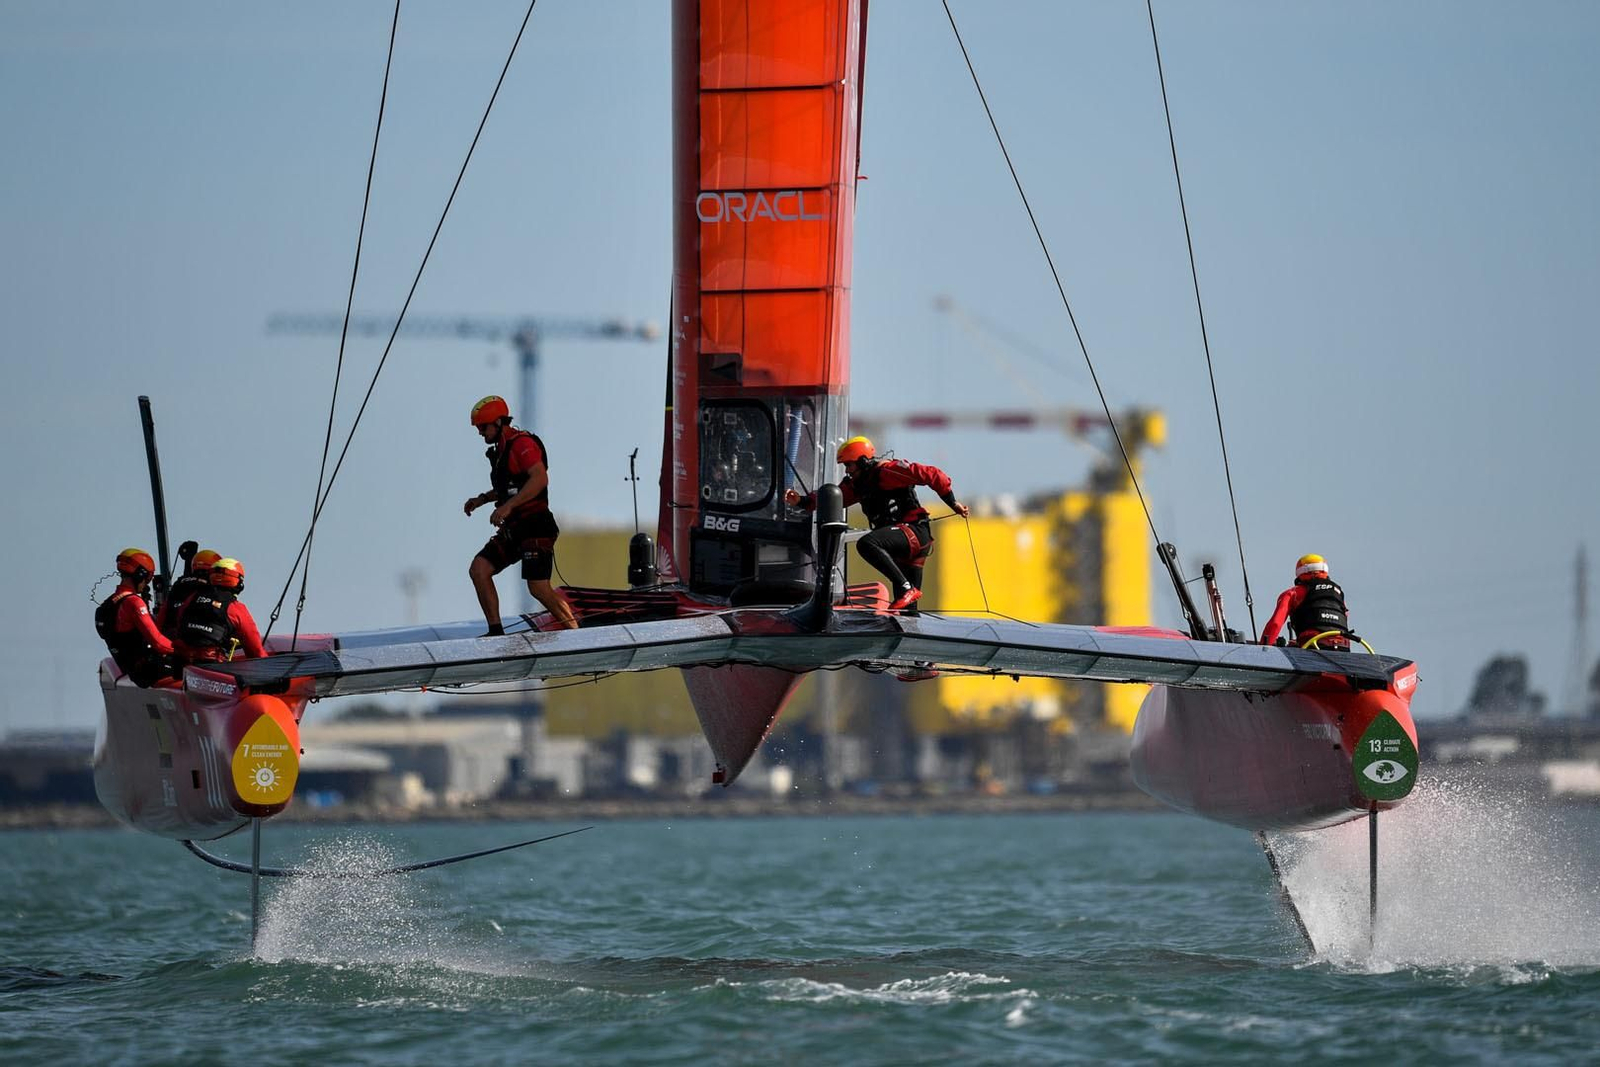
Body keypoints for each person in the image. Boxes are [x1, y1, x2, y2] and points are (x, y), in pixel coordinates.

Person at [784, 435, 969, 613]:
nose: (847, 471)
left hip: (914, 532)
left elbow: (933, 474)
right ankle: (908, 610)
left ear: (863, 461)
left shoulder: (887, 472)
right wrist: (801, 501)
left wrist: (953, 503)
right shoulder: (858, 485)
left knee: (867, 543)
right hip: (905, 542)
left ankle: (906, 588)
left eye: (849, 465)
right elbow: (834, 498)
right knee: (907, 611)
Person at [463, 395, 579, 634]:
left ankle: (577, 634)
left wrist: (507, 507)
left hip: (536, 527)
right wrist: (482, 499)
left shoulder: (522, 444)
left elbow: (539, 478)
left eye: (483, 427)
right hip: (515, 529)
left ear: (498, 422)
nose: (480, 433)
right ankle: (496, 632)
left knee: (538, 588)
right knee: (479, 569)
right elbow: (509, 487)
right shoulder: (501, 451)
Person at [94, 548, 178, 687]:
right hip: (153, 672)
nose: (147, 582)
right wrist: (186, 652)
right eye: (148, 577)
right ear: (140, 575)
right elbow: (158, 643)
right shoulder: (134, 602)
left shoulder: (108, 604)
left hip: (134, 672)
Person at [172, 557, 268, 663]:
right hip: (212, 666)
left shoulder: (191, 598)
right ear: (238, 582)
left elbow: (179, 622)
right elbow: (255, 650)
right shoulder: (235, 608)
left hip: (181, 664)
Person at [1260, 553, 1354, 650]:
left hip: (1313, 645)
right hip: (1343, 647)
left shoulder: (1293, 593)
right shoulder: (1338, 594)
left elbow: (1275, 623)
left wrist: (1263, 648)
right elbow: (1344, 617)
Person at [157, 547, 220, 635]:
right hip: (199, 636)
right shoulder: (211, 587)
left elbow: (163, 612)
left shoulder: (179, 584)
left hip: (169, 635)